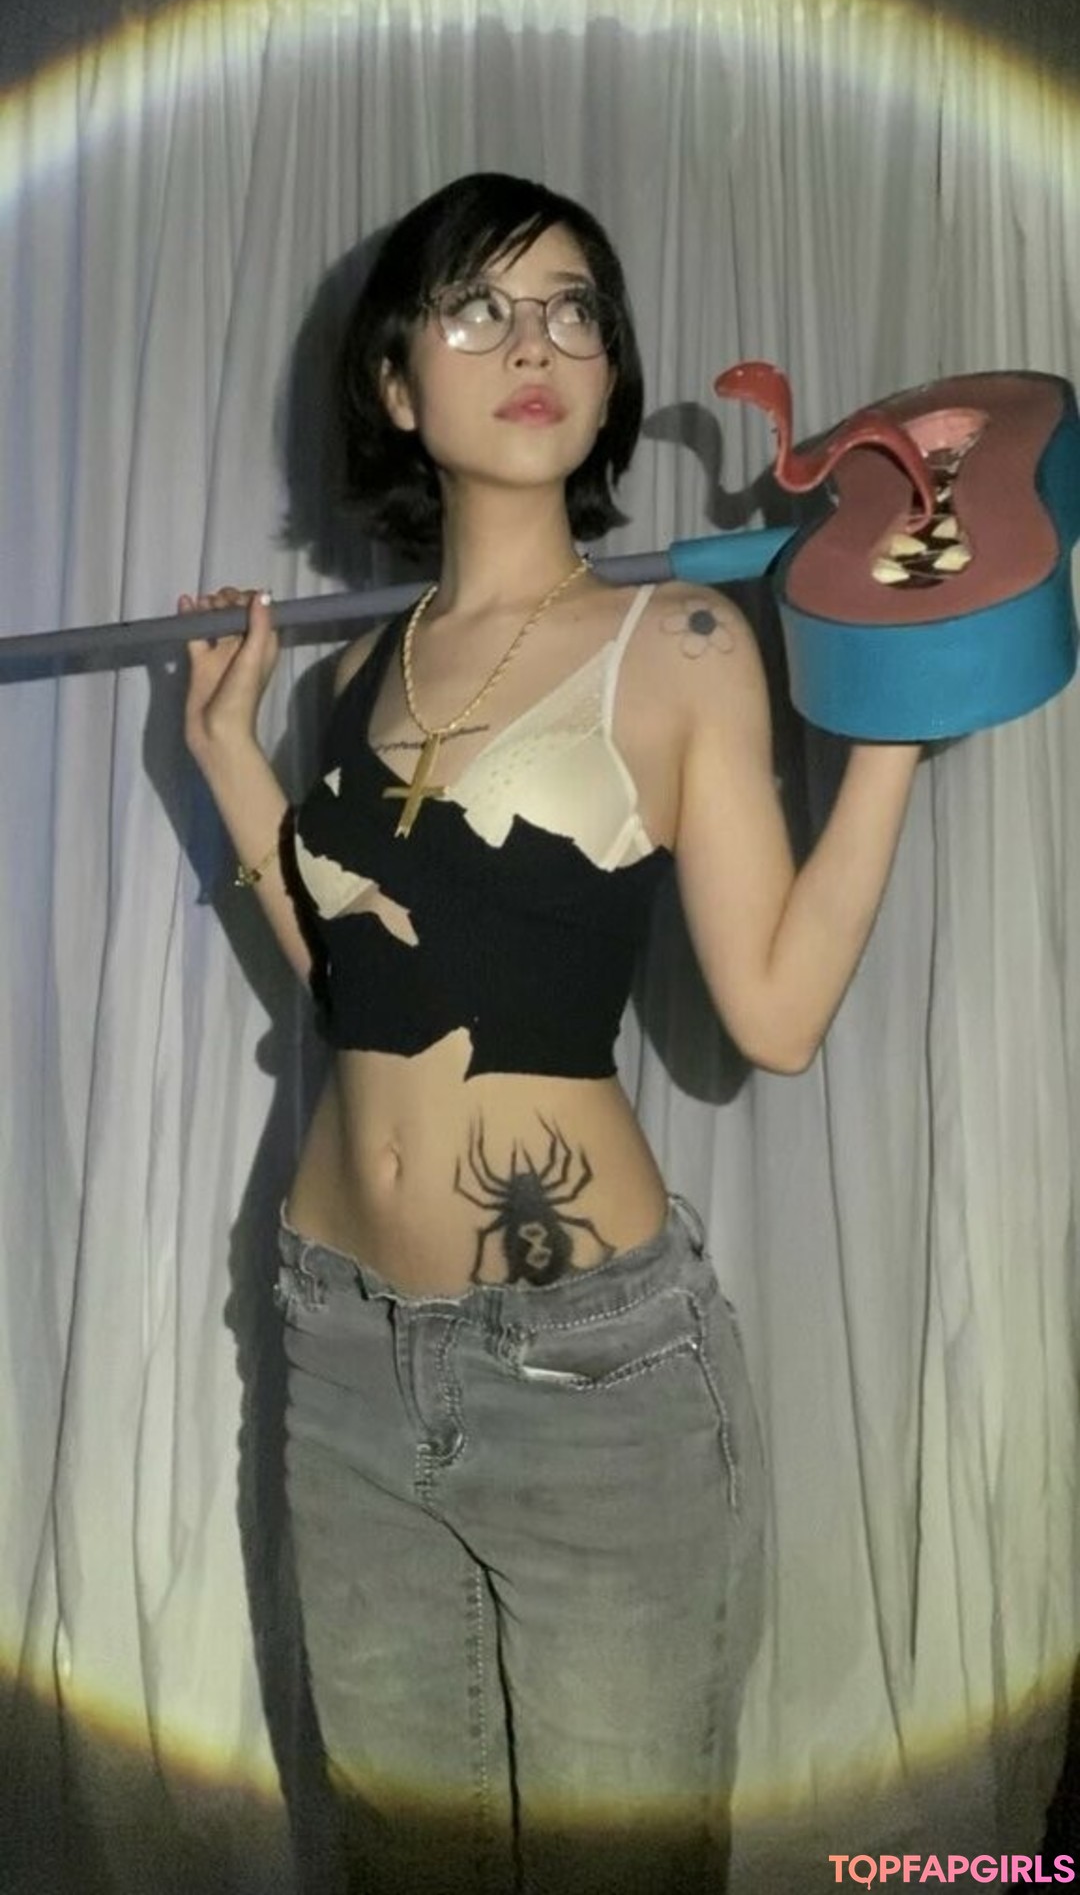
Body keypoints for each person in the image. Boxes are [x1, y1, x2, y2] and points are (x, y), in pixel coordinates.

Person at [179, 172, 920, 1895]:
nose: (535, 343)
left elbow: (778, 1015)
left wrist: (895, 713)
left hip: (590, 1385)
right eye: (480, 308)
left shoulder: (682, 643)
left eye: (572, 308)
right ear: (395, 385)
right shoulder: (348, 679)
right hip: (340, 1353)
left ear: (607, 371)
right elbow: (357, 991)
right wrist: (228, 761)